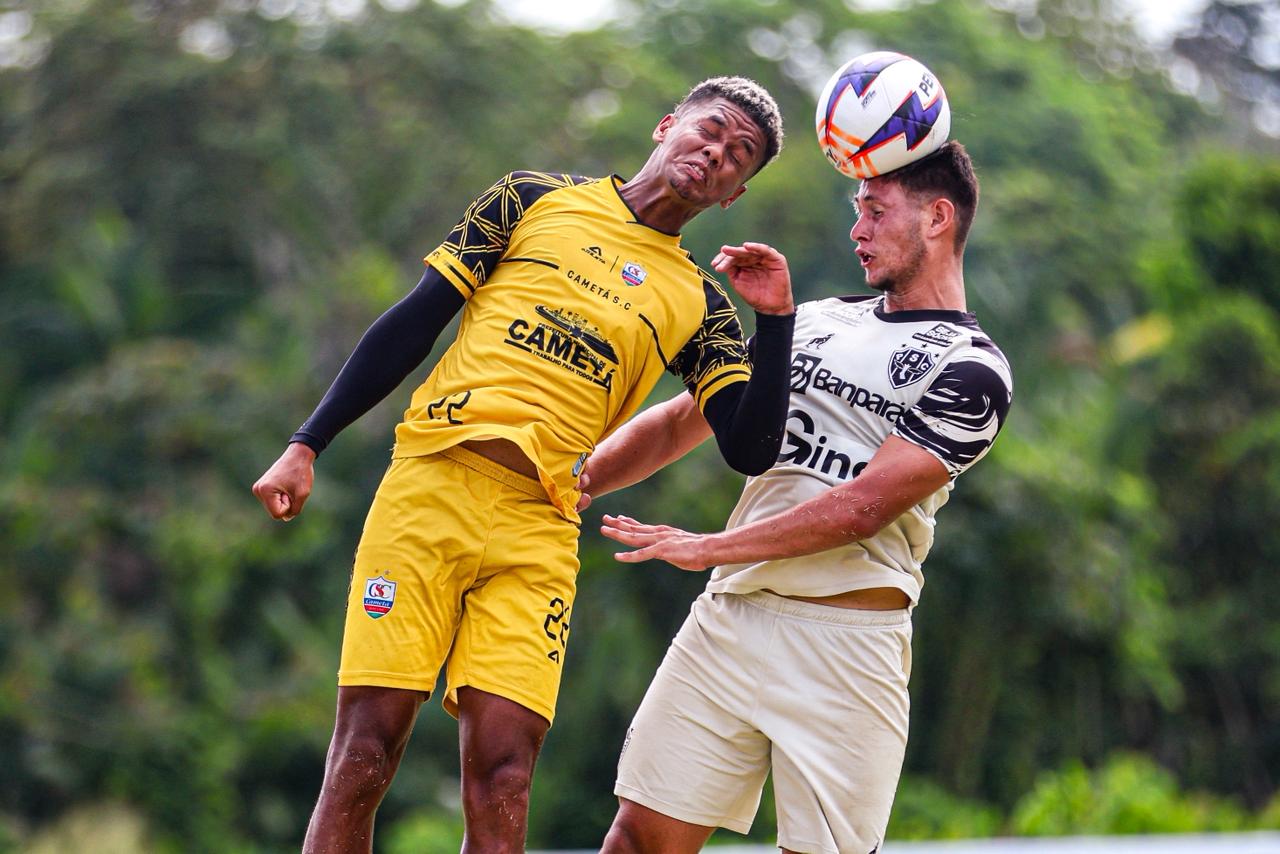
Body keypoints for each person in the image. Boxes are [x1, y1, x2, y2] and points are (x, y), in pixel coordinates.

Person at [250, 77, 795, 853]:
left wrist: (773, 320)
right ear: (666, 125)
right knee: (366, 754)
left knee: (504, 777)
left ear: (736, 194)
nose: (714, 154)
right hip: (431, 487)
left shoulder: (702, 303)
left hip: (538, 527)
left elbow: (749, 446)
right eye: (708, 132)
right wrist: (307, 443)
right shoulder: (533, 197)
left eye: (738, 155)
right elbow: (415, 321)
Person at [579, 140, 1013, 854]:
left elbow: (864, 507)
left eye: (875, 211)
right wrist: (578, 479)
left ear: (938, 218)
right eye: (857, 211)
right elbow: (683, 420)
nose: (857, 230)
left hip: (846, 648)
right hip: (732, 619)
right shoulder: (812, 320)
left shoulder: (974, 370)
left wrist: (709, 546)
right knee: (634, 844)